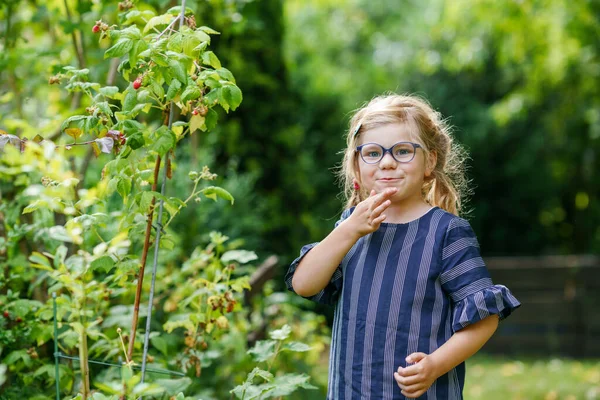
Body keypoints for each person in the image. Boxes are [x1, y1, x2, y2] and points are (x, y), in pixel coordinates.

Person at [285, 94, 521, 399]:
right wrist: (349, 230)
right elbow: (304, 284)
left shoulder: (447, 232)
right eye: (372, 153)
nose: (387, 162)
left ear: (430, 161)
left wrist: (435, 365)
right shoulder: (350, 225)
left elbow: (485, 318)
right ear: (356, 165)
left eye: (402, 151)